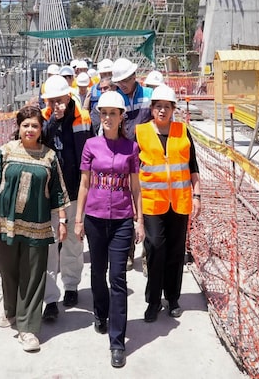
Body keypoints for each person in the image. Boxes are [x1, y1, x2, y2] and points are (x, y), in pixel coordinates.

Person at [0, 105, 68, 352]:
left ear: (41, 129)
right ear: (18, 128)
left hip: (38, 226)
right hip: (7, 224)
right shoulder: (5, 152)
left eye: (35, 125)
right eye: (26, 125)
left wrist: (62, 221)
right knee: (8, 271)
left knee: (33, 276)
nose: (30, 129)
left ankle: (29, 328)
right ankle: (11, 309)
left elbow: (57, 192)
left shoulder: (49, 156)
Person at [74, 91, 144, 369]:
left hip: (122, 219)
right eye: (103, 113)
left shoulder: (131, 148)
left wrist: (139, 220)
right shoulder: (91, 145)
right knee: (97, 272)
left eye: (112, 113)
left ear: (121, 117)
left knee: (118, 278)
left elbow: (136, 187)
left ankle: (117, 341)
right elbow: (84, 185)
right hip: (94, 217)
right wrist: (78, 219)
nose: (107, 118)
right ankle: (100, 312)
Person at [136, 85, 201, 323]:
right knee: (156, 249)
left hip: (180, 202)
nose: (162, 111)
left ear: (174, 109)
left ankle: (173, 298)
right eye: (158, 106)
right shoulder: (140, 132)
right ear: (152, 109)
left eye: (167, 107)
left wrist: (197, 195)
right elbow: (134, 172)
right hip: (153, 203)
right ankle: (153, 301)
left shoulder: (182, 130)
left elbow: (192, 166)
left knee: (175, 252)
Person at [41, 75, 92, 320]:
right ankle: (50, 299)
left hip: (74, 192)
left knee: (73, 242)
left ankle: (71, 287)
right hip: (49, 195)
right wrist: (52, 120)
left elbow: (89, 153)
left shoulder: (83, 119)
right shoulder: (43, 118)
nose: (55, 105)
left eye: (59, 100)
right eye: (51, 101)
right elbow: (40, 142)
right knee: (49, 247)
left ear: (68, 96)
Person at [111, 57, 153, 270]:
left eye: (126, 80)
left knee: (145, 208)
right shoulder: (115, 98)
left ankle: (146, 256)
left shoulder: (149, 96)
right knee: (126, 209)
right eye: (120, 82)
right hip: (124, 160)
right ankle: (127, 253)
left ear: (134, 76)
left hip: (146, 160)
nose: (123, 85)